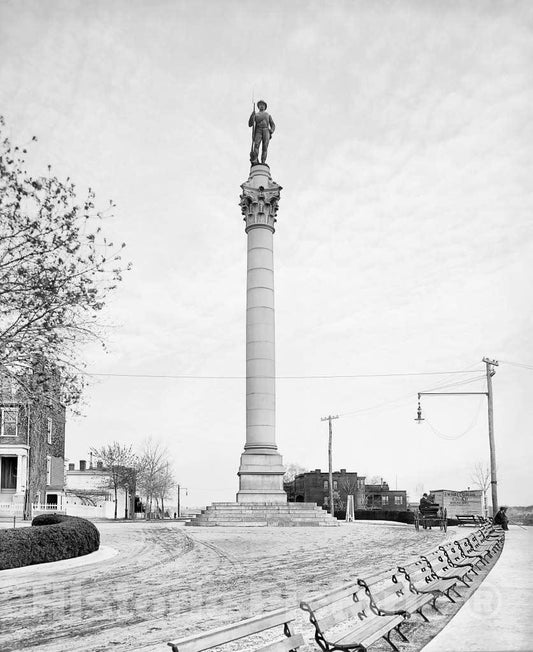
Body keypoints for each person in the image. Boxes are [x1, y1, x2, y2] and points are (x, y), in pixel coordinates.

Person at [249, 100, 275, 165]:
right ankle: (255, 160)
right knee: (256, 145)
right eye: (260, 105)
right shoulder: (256, 115)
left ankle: (263, 161)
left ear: (265, 106)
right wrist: (252, 116)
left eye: (263, 105)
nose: (261, 106)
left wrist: (271, 130)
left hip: (266, 130)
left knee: (265, 147)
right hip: (258, 130)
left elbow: (273, 124)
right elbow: (250, 124)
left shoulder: (268, 115)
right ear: (258, 106)